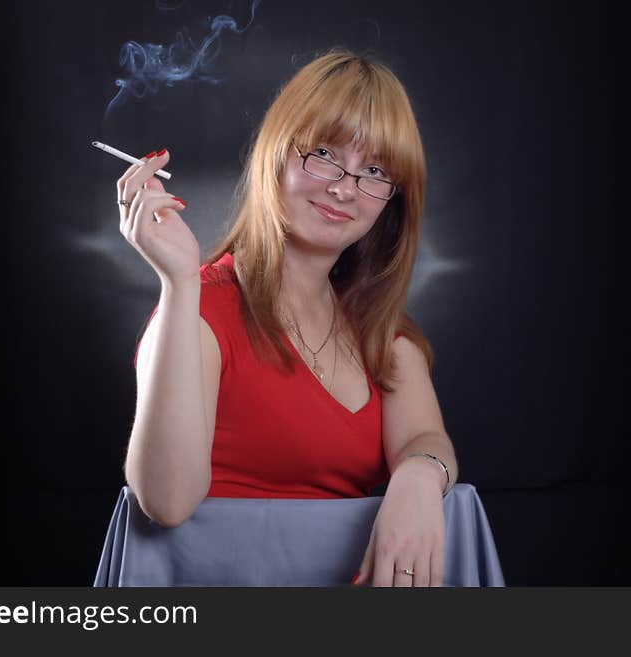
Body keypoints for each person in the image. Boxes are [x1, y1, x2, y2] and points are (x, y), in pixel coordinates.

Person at [116, 48, 459, 587]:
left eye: (374, 170)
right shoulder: (197, 309)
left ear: (391, 200)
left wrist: (419, 476)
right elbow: (165, 501)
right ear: (275, 154)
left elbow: (426, 438)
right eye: (324, 153)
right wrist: (179, 282)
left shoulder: (383, 336)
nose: (345, 188)